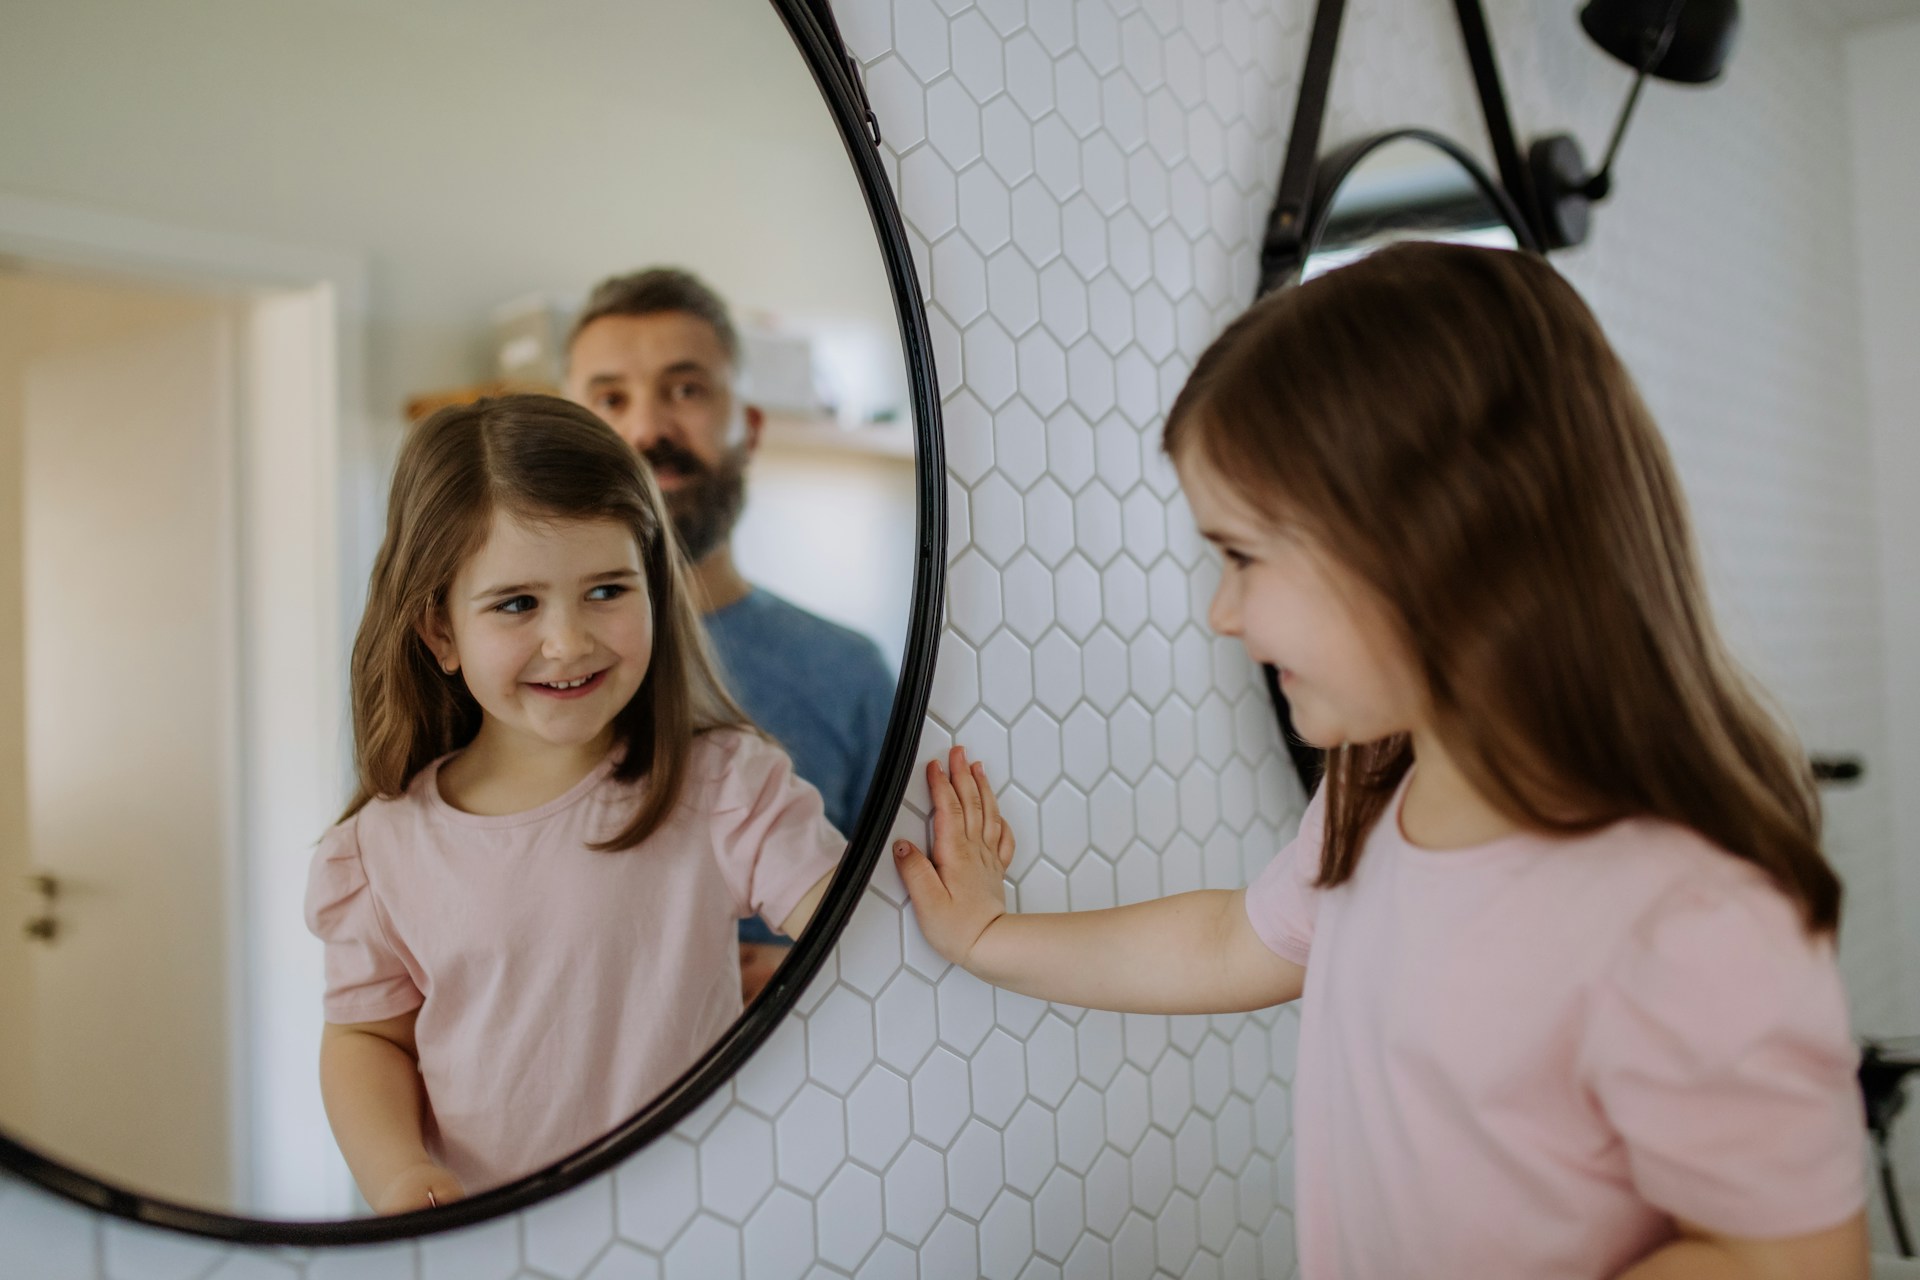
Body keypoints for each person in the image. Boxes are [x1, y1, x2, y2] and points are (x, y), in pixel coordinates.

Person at [895, 244, 1869, 1278]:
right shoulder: (1386, 784)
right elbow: (1234, 941)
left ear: (1431, 544)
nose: (1223, 613)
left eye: (1242, 556)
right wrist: (991, 934)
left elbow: (1788, 1260)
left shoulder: (1684, 908)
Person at [304, 395, 844, 1213]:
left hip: (705, 1223)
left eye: (606, 590)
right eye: (516, 604)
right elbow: (367, 1038)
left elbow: (859, 935)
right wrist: (397, 1173)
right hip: (497, 1247)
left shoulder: (725, 790)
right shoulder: (380, 854)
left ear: (654, 590)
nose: (569, 640)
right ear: (440, 633)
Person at [563, 268, 894, 996]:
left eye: (686, 390)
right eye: (611, 398)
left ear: (748, 425)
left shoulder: (850, 674)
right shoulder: (519, 675)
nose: (648, 429)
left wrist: (812, 979)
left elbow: (906, 915)